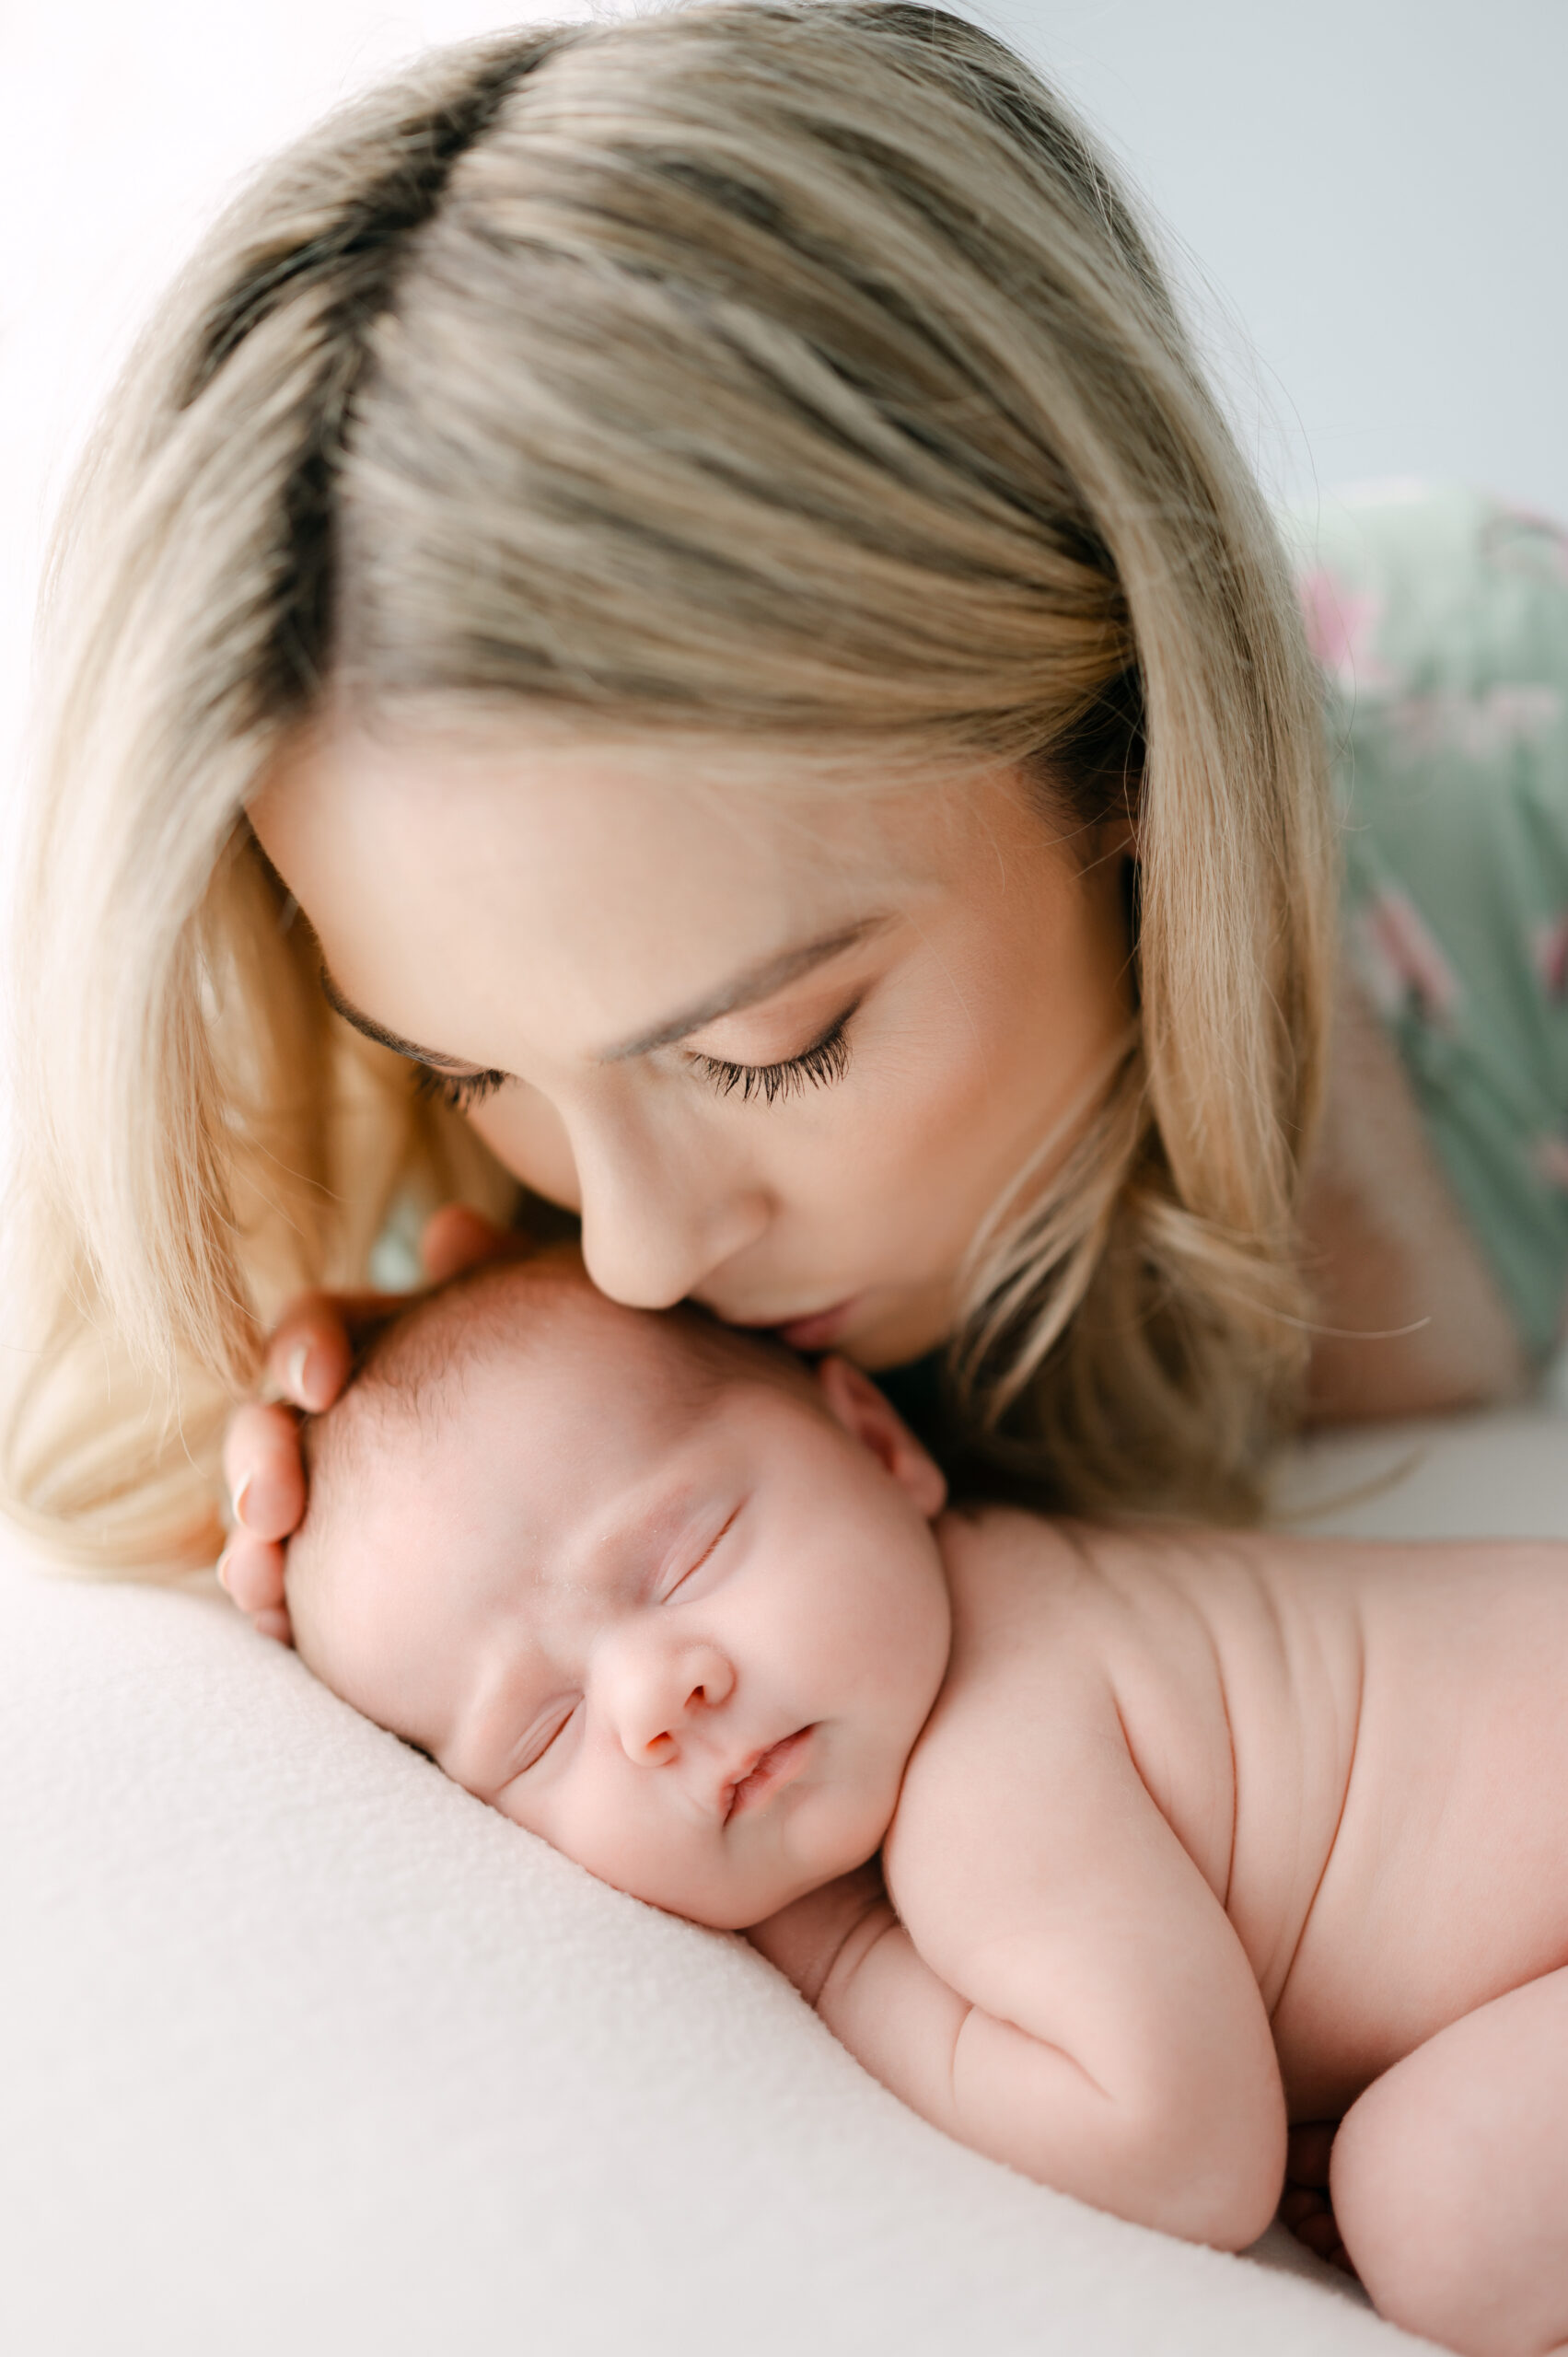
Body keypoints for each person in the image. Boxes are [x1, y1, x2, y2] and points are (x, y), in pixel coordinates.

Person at [6, 3, 1565, 1616]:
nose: (633, 1254)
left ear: (1133, 746)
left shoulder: (1527, 745)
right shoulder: (458, 1267)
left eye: (775, 1046)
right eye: (463, 1070)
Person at [285, 1248, 1568, 2357]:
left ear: (882, 1444)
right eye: (545, 1731)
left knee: (1435, 2207)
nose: (652, 1701)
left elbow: (1188, 2159)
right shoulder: (1013, 1577)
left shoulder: (989, 1774)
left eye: (686, 1558)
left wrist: (844, 1955)